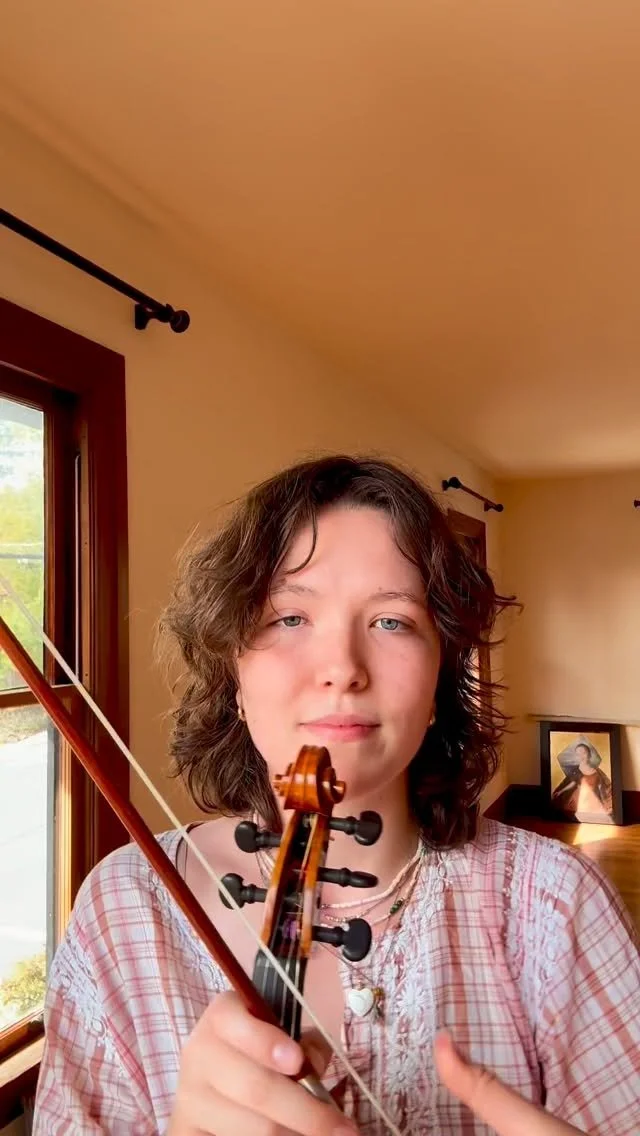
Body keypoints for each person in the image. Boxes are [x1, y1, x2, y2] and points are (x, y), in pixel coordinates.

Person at [32, 455, 639, 1135]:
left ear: (439, 682)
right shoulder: (125, 908)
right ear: (234, 672)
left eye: (392, 621)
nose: (342, 669)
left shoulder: (553, 903)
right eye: (290, 617)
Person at [552, 742, 613, 816]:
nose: (581, 756)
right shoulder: (576, 771)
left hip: (591, 799)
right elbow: (573, 783)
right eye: (578, 754)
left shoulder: (597, 772)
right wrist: (560, 791)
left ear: (589, 754)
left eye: (584, 753)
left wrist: (604, 801)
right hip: (578, 799)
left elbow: (601, 787)